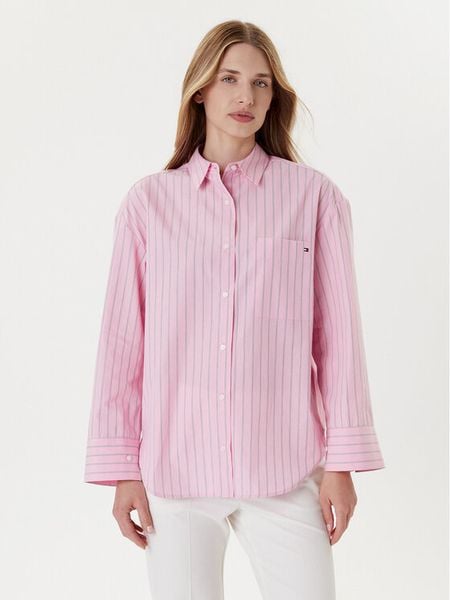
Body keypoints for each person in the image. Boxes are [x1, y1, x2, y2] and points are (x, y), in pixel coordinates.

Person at [83, 19, 385, 600]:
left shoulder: (314, 198)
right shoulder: (148, 205)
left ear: (274, 97)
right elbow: (123, 345)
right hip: (177, 475)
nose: (246, 96)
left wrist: (341, 466)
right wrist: (122, 471)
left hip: (285, 469)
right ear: (200, 88)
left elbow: (339, 340)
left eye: (261, 83)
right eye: (229, 78)